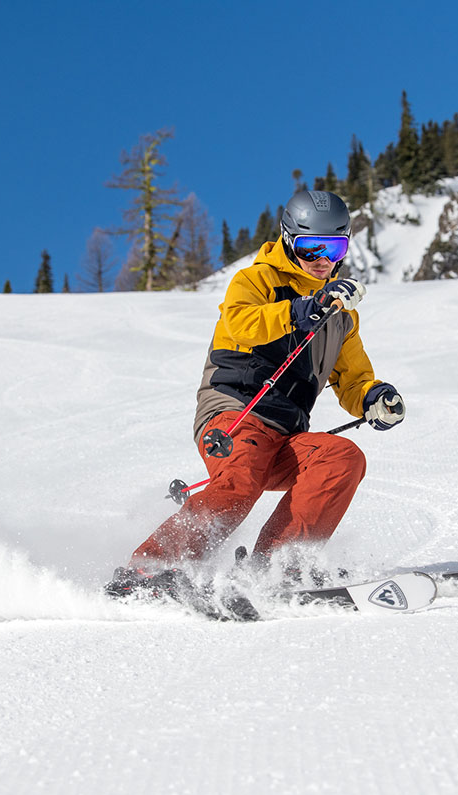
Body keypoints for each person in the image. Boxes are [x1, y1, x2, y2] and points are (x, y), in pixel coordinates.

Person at [107, 190, 405, 599]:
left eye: (334, 247)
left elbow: (353, 379)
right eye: (309, 247)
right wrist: (302, 309)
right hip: (234, 414)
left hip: (285, 433)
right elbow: (243, 324)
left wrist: (373, 397)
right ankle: (148, 570)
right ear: (287, 240)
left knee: (341, 458)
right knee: (240, 479)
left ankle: (277, 567)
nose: (323, 259)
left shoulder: (341, 317)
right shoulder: (255, 281)